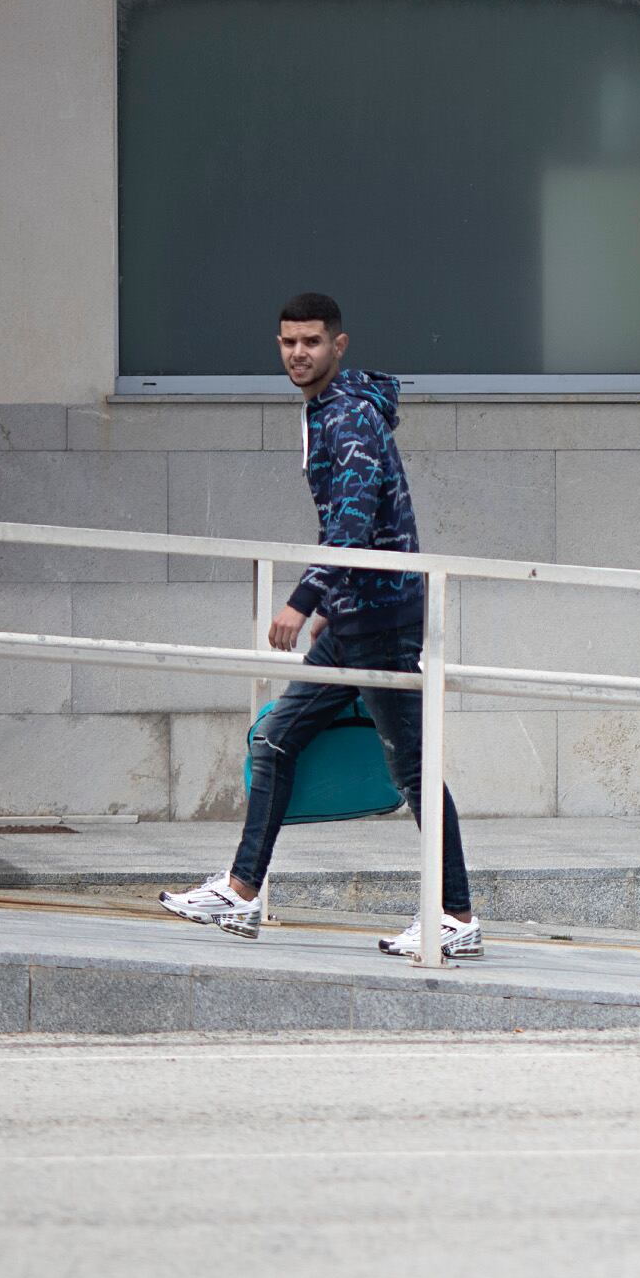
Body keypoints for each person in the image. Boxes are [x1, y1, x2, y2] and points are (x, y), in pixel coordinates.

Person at [160, 292, 480, 962]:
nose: (298, 353)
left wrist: (305, 599)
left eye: (311, 342)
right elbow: (361, 525)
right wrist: (336, 604)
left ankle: (454, 913)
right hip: (357, 615)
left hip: (384, 620)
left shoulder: (351, 417)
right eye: (288, 343)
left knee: (414, 766)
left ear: (340, 345)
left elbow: (355, 521)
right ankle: (243, 892)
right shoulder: (327, 411)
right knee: (276, 738)